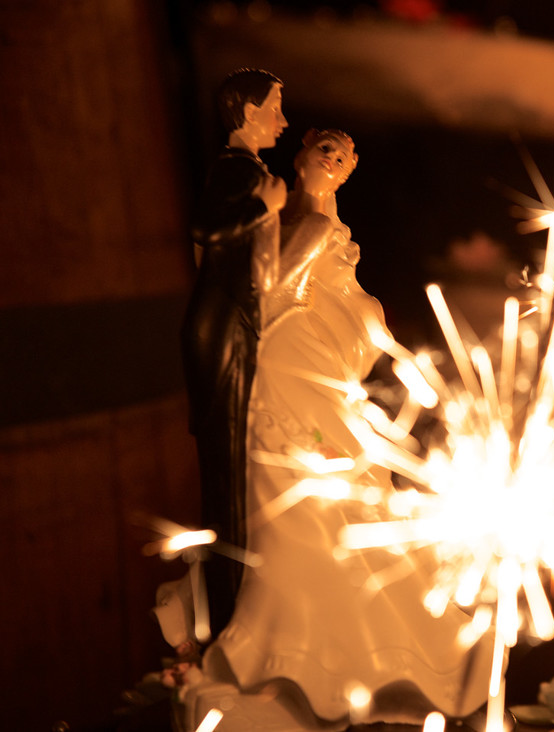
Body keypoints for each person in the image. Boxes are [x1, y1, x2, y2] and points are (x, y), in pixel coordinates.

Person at [177, 130, 493, 730]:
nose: (333, 162)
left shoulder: (324, 224)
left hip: (322, 370)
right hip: (287, 363)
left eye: (344, 158)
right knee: (292, 496)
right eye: (325, 149)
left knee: (342, 495)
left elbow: (328, 295)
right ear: (301, 155)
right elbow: (266, 294)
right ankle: (283, 638)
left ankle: (361, 646)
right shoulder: (288, 214)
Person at [181, 68, 288, 639]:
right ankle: (225, 623)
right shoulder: (235, 171)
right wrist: (263, 207)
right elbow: (205, 227)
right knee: (224, 479)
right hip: (221, 327)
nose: (283, 119)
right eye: (275, 106)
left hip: (235, 321)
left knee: (235, 473)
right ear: (247, 112)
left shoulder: (249, 170)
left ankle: (234, 613)